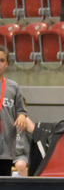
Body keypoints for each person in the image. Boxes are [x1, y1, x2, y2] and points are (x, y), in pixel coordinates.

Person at [0, 48, 30, 177]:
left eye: (1, 60)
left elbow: (21, 110)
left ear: (7, 64)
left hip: (6, 148)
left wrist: (22, 116)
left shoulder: (13, 87)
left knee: (4, 188)